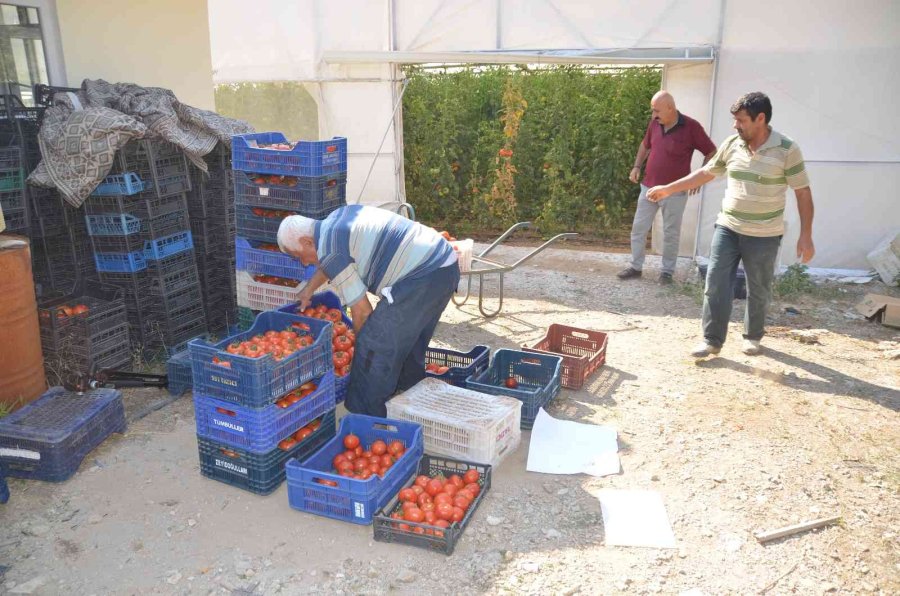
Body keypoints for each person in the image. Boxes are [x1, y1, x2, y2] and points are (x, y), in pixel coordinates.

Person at [647, 92, 815, 356]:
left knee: (758, 287)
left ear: (760, 119)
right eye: (734, 120)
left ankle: (753, 336)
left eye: (741, 120)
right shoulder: (732, 144)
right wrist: (668, 188)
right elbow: (706, 173)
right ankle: (712, 339)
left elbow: (802, 192)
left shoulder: (786, 149)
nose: (735, 125)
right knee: (715, 283)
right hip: (728, 227)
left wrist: (806, 235)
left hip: (764, 234)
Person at [276, 205, 460, 416]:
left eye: (299, 255)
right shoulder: (336, 219)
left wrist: (362, 354)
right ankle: (410, 407)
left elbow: (362, 311)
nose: (303, 261)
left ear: (308, 242)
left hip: (421, 277)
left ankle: (368, 421)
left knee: (375, 343)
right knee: (407, 345)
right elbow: (331, 259)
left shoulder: (330, 251)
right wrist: (309, 289)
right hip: (443, 266)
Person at [618, 91, 717, 284]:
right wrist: (637, 166)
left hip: (674, 191)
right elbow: (645, 145)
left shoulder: (691, 127)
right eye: (652, 111)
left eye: (657, 110)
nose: (653, 115)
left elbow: (711, 151)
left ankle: (667, 272)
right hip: (648, 187)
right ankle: (636, 267)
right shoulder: (655, 123)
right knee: (638, 228)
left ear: (670, 108)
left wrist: (698, 177)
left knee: (671, 232)